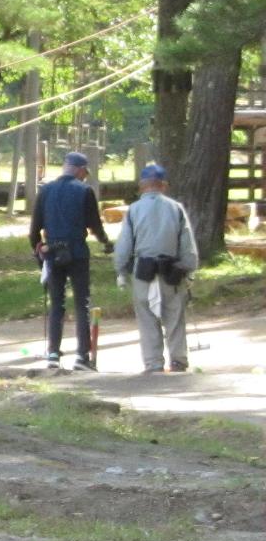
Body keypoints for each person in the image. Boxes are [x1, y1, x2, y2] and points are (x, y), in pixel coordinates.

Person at [28, 150, 112, 372]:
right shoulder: (84, 191)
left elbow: (34, 229)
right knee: (82, 303)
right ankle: (82, 356)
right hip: (76, 252)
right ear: (80, 170)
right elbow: (94, 224)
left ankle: (53, 354)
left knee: (57, 304)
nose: (85, 176)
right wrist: (105, 242)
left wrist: (39, 253)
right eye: (85, 172)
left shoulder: (45, 191)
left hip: (52, 252)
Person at [113, 163, 199, 375]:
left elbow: (124, 245)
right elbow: (186, 243)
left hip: (144, 270)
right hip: (171, 270)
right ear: (164, 185)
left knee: (147, 317)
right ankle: (178, 361)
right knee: (175, 316)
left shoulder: (133, 210)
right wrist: (190, 270)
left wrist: (121, 271)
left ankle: (153, 364)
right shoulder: (175, 208)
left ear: (142, 186)